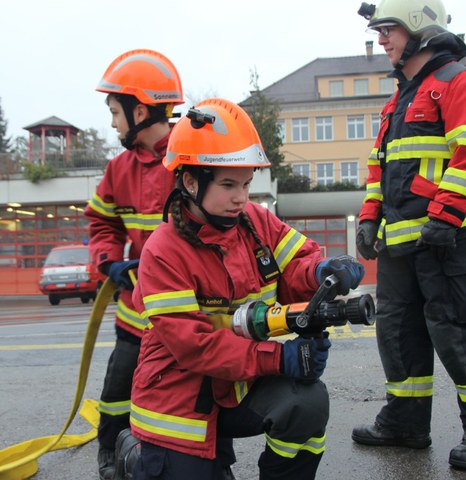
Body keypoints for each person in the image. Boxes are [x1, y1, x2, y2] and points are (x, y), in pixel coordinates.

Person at [125, 97, 365, 480]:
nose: (242, 197)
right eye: (228, 185)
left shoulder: (254, 220)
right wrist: (279, 358)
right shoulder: (163, 251)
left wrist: (321, 270)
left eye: (247, 184)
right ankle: (137, 455)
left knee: (306, 403)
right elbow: (195, 347)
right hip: (180, 399)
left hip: (237, 381)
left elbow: (296, 264)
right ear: (190, 181)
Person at [354, 0, 466, 471]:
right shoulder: (400, 99)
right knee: (398, 333)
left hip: (449, 240)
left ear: (419, 28)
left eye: (388, 29)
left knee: (460, 333)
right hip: (402, 245)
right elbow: (378, 169)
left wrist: (445, 219)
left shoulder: (458, 82)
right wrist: (369, 217)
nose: (382, 39)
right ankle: (406, 422)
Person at [84, 48, 187, 480]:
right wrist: (109, 262)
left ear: (139, 109)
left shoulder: (189, 158)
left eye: (114, 111)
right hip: (133, 313)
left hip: (184, 315)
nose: (112, 122)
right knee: (117, 389)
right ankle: (110, 452)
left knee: (188, 396)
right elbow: (101, 222)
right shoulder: (119, 168)